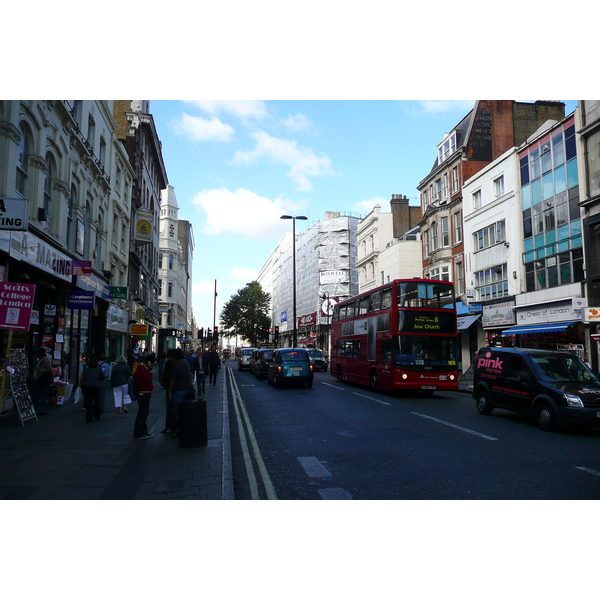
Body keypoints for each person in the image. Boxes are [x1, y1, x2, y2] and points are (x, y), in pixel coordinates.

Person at [168, 348, 192, 432]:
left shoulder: (176, 365)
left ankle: (181, 429)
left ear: (175, 357)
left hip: (178, 390)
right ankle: (185, 428)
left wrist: (170, 391)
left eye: (171, 357)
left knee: (178, 411)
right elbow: (189, 375)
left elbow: (172, 379)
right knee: (184, 410)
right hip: (186, 389)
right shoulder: (185, 363)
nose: (170, 358)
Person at [133, 355, 154, 439]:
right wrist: (150, 371)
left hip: (145, 392)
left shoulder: (142, 368)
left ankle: (143, 431)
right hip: (143, 393)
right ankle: (140, 432)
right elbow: (148, 379)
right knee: (143, 413)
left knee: (143, 413)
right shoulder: (143, 369)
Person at [80, 355, 104, 423]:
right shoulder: (98, 370)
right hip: (96, 387)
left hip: (87, 388)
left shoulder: (86, 370)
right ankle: (97, 416)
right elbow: (102, 377)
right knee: (97, 403)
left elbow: (83, 379)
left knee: (88, 403)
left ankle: (89, 418)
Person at [33, 347, 53, 416]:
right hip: (38, 379)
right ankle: (41, 409)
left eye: (37, 354)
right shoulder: (40, 360)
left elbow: (50, 369)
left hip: (42, 380)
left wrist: (40, 370)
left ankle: (44, 410)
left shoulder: (45, 361)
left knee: (43, 395)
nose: (36, 355)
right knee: (39, 394)